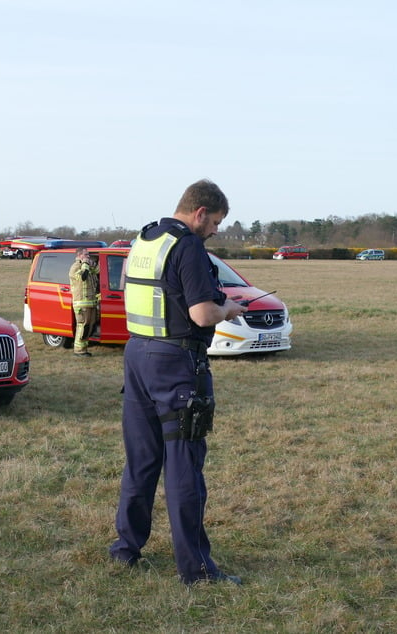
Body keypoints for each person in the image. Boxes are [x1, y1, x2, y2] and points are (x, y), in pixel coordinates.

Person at [109, 179, 249, 586]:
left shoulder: (146, 239)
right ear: (200, 212)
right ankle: (197, 570)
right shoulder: (187, 245)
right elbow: (203, 314)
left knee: (141, 460)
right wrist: (228, 308)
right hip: (176, 364)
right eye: (217, 221)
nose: (216, 231)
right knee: (184, 466)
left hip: (137, 356)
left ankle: (125, 549)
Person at [68, 247, 99, 357]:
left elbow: (98, 273)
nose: (88, 256)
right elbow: (83, 277)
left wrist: (93, 264)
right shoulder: (75, 267)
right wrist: (85, 264)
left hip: (90, 302)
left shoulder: (87, 267)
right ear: (80, 255)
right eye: (86, 254)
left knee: (89, 327)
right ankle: (79, 351)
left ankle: (84, 349)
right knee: (82, 327)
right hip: (81, 304)